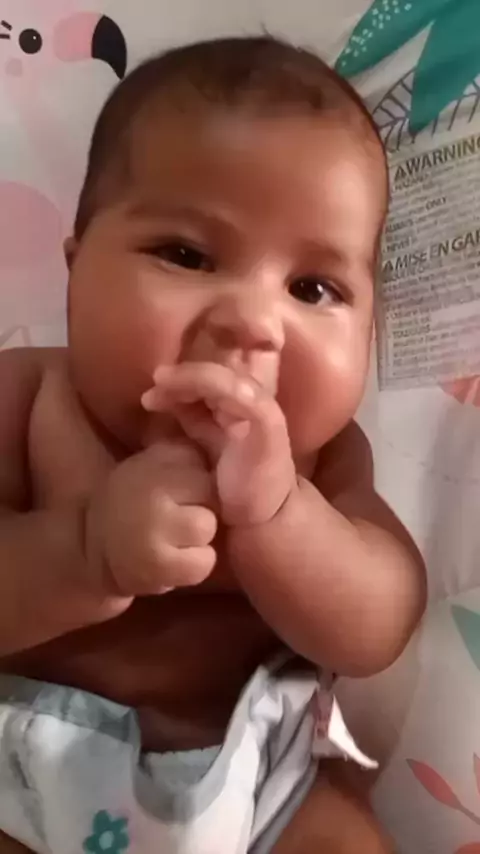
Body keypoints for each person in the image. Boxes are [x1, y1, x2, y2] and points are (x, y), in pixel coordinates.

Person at [0, 36, 425, 853]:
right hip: (21, 767)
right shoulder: (27, 398)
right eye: (187, 256)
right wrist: (83, 551)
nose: (251, 321)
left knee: (345, 840)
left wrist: (280, 515)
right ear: (76, 274)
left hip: (260, 776)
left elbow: (380, 625)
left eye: (313, 288)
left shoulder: (323, 460)